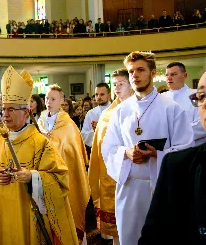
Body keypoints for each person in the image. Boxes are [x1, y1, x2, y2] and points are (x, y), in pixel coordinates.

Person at [0, 66, 79, 245]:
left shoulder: (40, 143)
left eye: (11, 110)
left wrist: (33, 177)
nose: (5, 115)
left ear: (25, 112)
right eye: (3, 109)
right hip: (0, 212)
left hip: (28, 213)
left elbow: (60, 179)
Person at [101, 51, 194, 245]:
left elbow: (186, 150)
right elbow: (109, 147)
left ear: (153, 73)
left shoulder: (171, 108)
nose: (135, 75)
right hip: (129, 189)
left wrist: (157, 154)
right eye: (131, 71)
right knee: (129, 239)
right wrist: (126, 152)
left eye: (141, 70)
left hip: (160, 190)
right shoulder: (121, 111)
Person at [139, 69, 206, 245]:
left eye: (174, 74)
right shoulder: (176, 166)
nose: (204, 103)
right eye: (202, 96)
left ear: (185, 75)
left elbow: (191, 130)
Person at [38, 84, 90, 243]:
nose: (49, 102)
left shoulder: (68, 124)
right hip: (42, 174)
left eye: (53, 99)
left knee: (65, 212)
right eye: (47, 98)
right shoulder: (40, 120)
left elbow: (70, 150)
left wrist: (50, 143)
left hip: (62, 175)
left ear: (61, 101)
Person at [89, 68, 133, 244]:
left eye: (121, 84)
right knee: (116, 229)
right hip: (111, 172)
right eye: (114, 85)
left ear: (130, 84)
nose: (117, 88)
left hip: (136, 171)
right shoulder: (107, 114)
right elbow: (100, 146)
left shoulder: (139, 108)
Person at [163, 62, 206, 146]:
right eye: (167, 75)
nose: (169, 78)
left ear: (184, 75)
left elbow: (201, 124)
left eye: (173, 74)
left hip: (194, 148)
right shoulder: (160, 98)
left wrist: (173, 134)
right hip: (166, 149)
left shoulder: (196, 95)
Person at [81, 83, 111, 155]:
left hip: (112, 151)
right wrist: (95, 130)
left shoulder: (116, 110)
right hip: (95, 150)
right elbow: (84, 135)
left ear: (109, 95)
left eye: (102, 94)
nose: (98, 97)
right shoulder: (91, 113)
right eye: (96, 94)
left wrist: (102, 128)